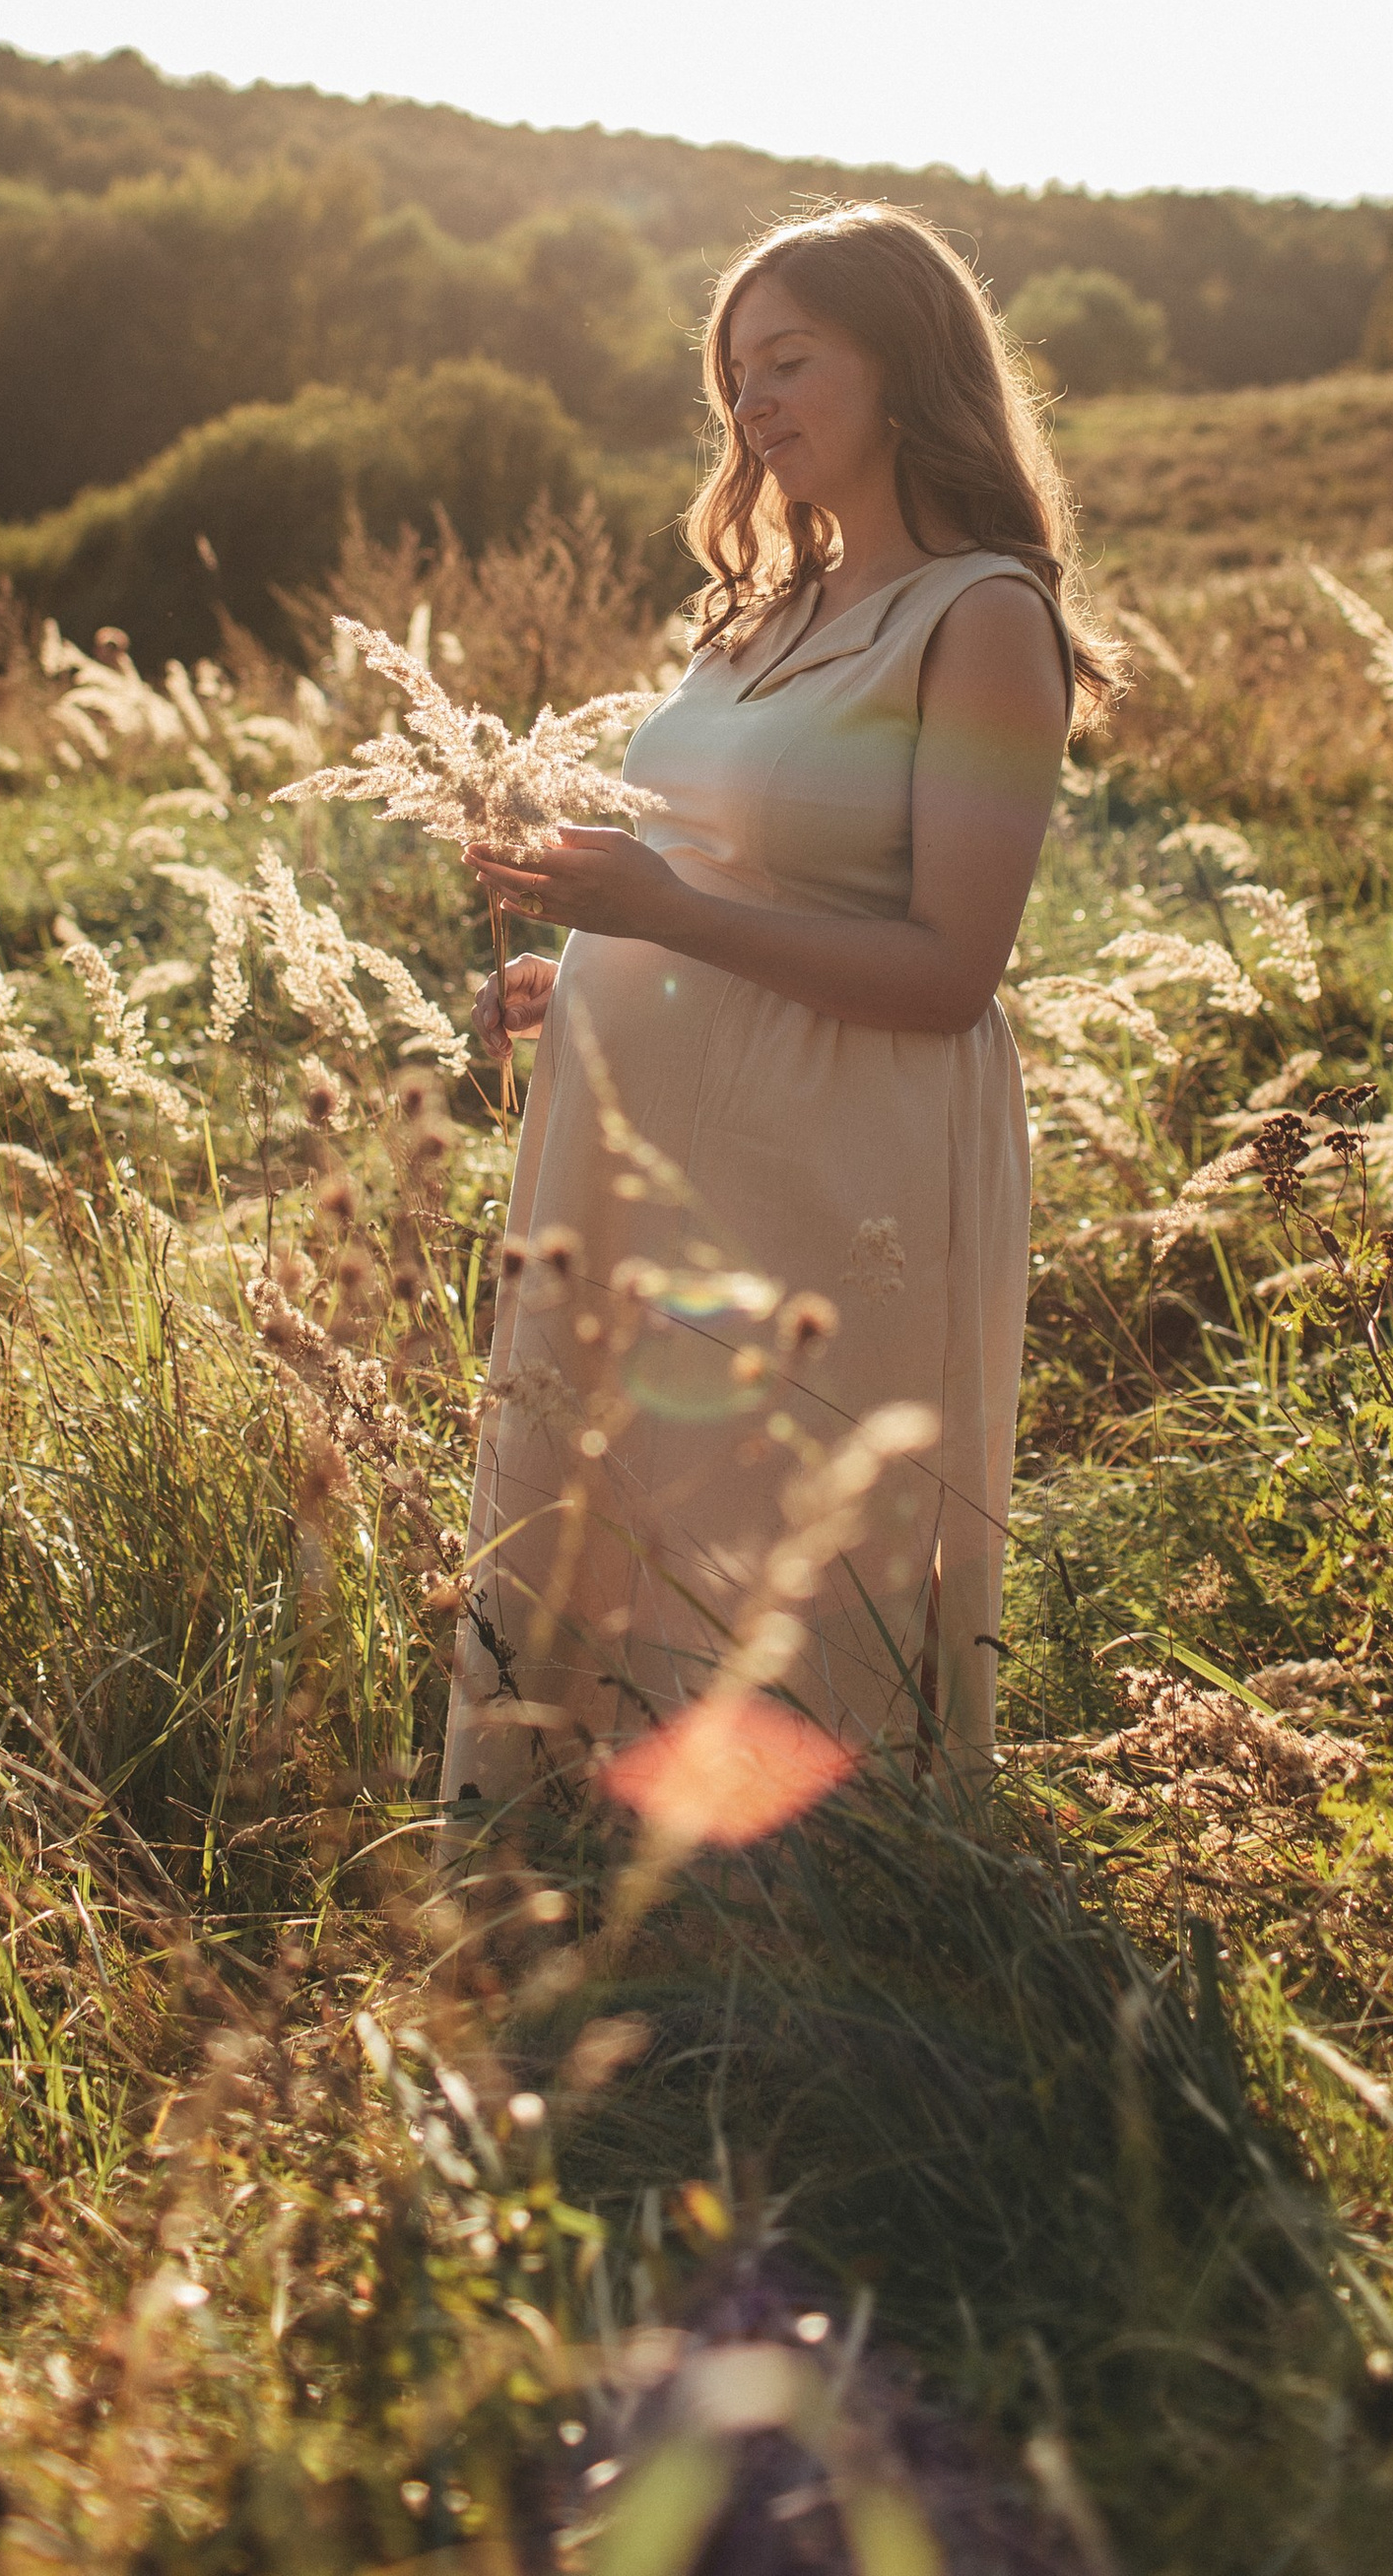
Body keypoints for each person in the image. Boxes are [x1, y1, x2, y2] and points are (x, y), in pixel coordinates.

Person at [442, 201, 1124, 1826]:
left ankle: (805, 1943)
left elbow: (954, 965)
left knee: (775, 1529)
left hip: (834, 1164)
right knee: (630, 1508)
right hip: (652, 1146)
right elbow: (722, 881)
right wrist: (590, 973)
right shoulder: (754, 616)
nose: (752, 406)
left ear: (907, 366)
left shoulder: (980, 619)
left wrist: (664, 918)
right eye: (734, 375)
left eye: (790, 362)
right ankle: (591, 1885)